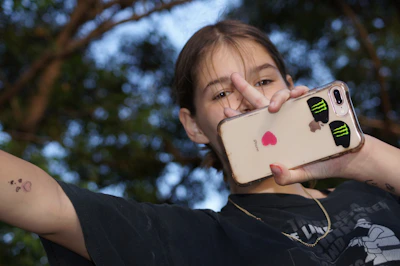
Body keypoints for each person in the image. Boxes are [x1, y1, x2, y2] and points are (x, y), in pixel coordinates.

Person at [1, 20, 399, 266]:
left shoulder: (374, 187)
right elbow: (45, 204)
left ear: (290, 89)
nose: (247, 98)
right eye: (221, 93)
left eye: (263, 81)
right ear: (193, 126)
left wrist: (362, 157)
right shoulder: (191, 239)